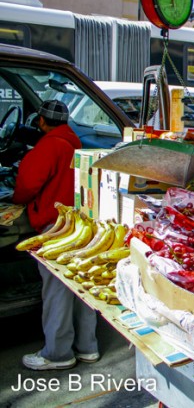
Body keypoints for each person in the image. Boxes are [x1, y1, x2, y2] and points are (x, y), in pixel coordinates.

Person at [12, 100, 99, 371]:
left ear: (40, 121)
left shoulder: (49, 146)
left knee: (57, 288)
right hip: (79, 223)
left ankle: (58, 354)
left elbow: (26, 186)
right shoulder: (75, 142)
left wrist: (18, 200)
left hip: (55, 225)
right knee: (80, 285)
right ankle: (88, 347)